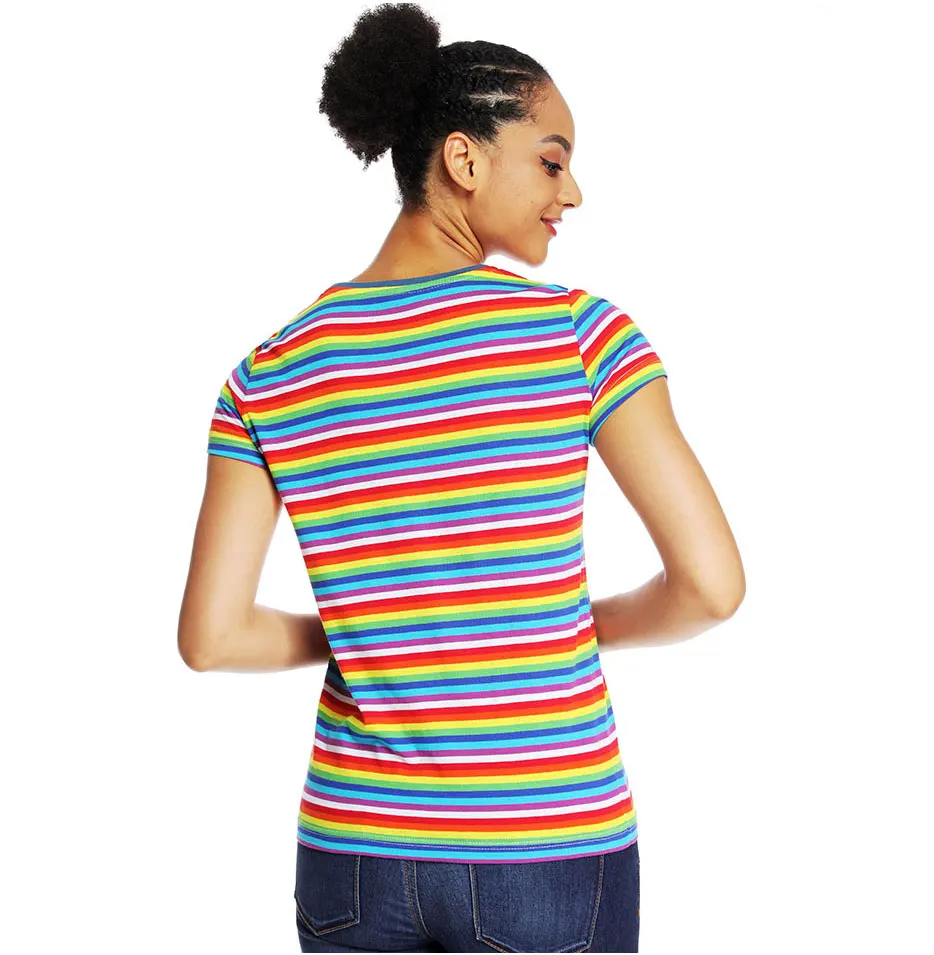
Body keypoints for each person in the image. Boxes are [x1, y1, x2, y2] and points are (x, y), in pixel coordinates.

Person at [178, 3, 745, 952]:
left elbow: (211, 636)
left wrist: (369, 634)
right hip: (544, 841)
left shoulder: (269, 372)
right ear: (463, 159)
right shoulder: (578, 336)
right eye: (552, 161)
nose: (573, 193)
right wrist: (578, 624)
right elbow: (713, 586)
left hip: (352, 852)